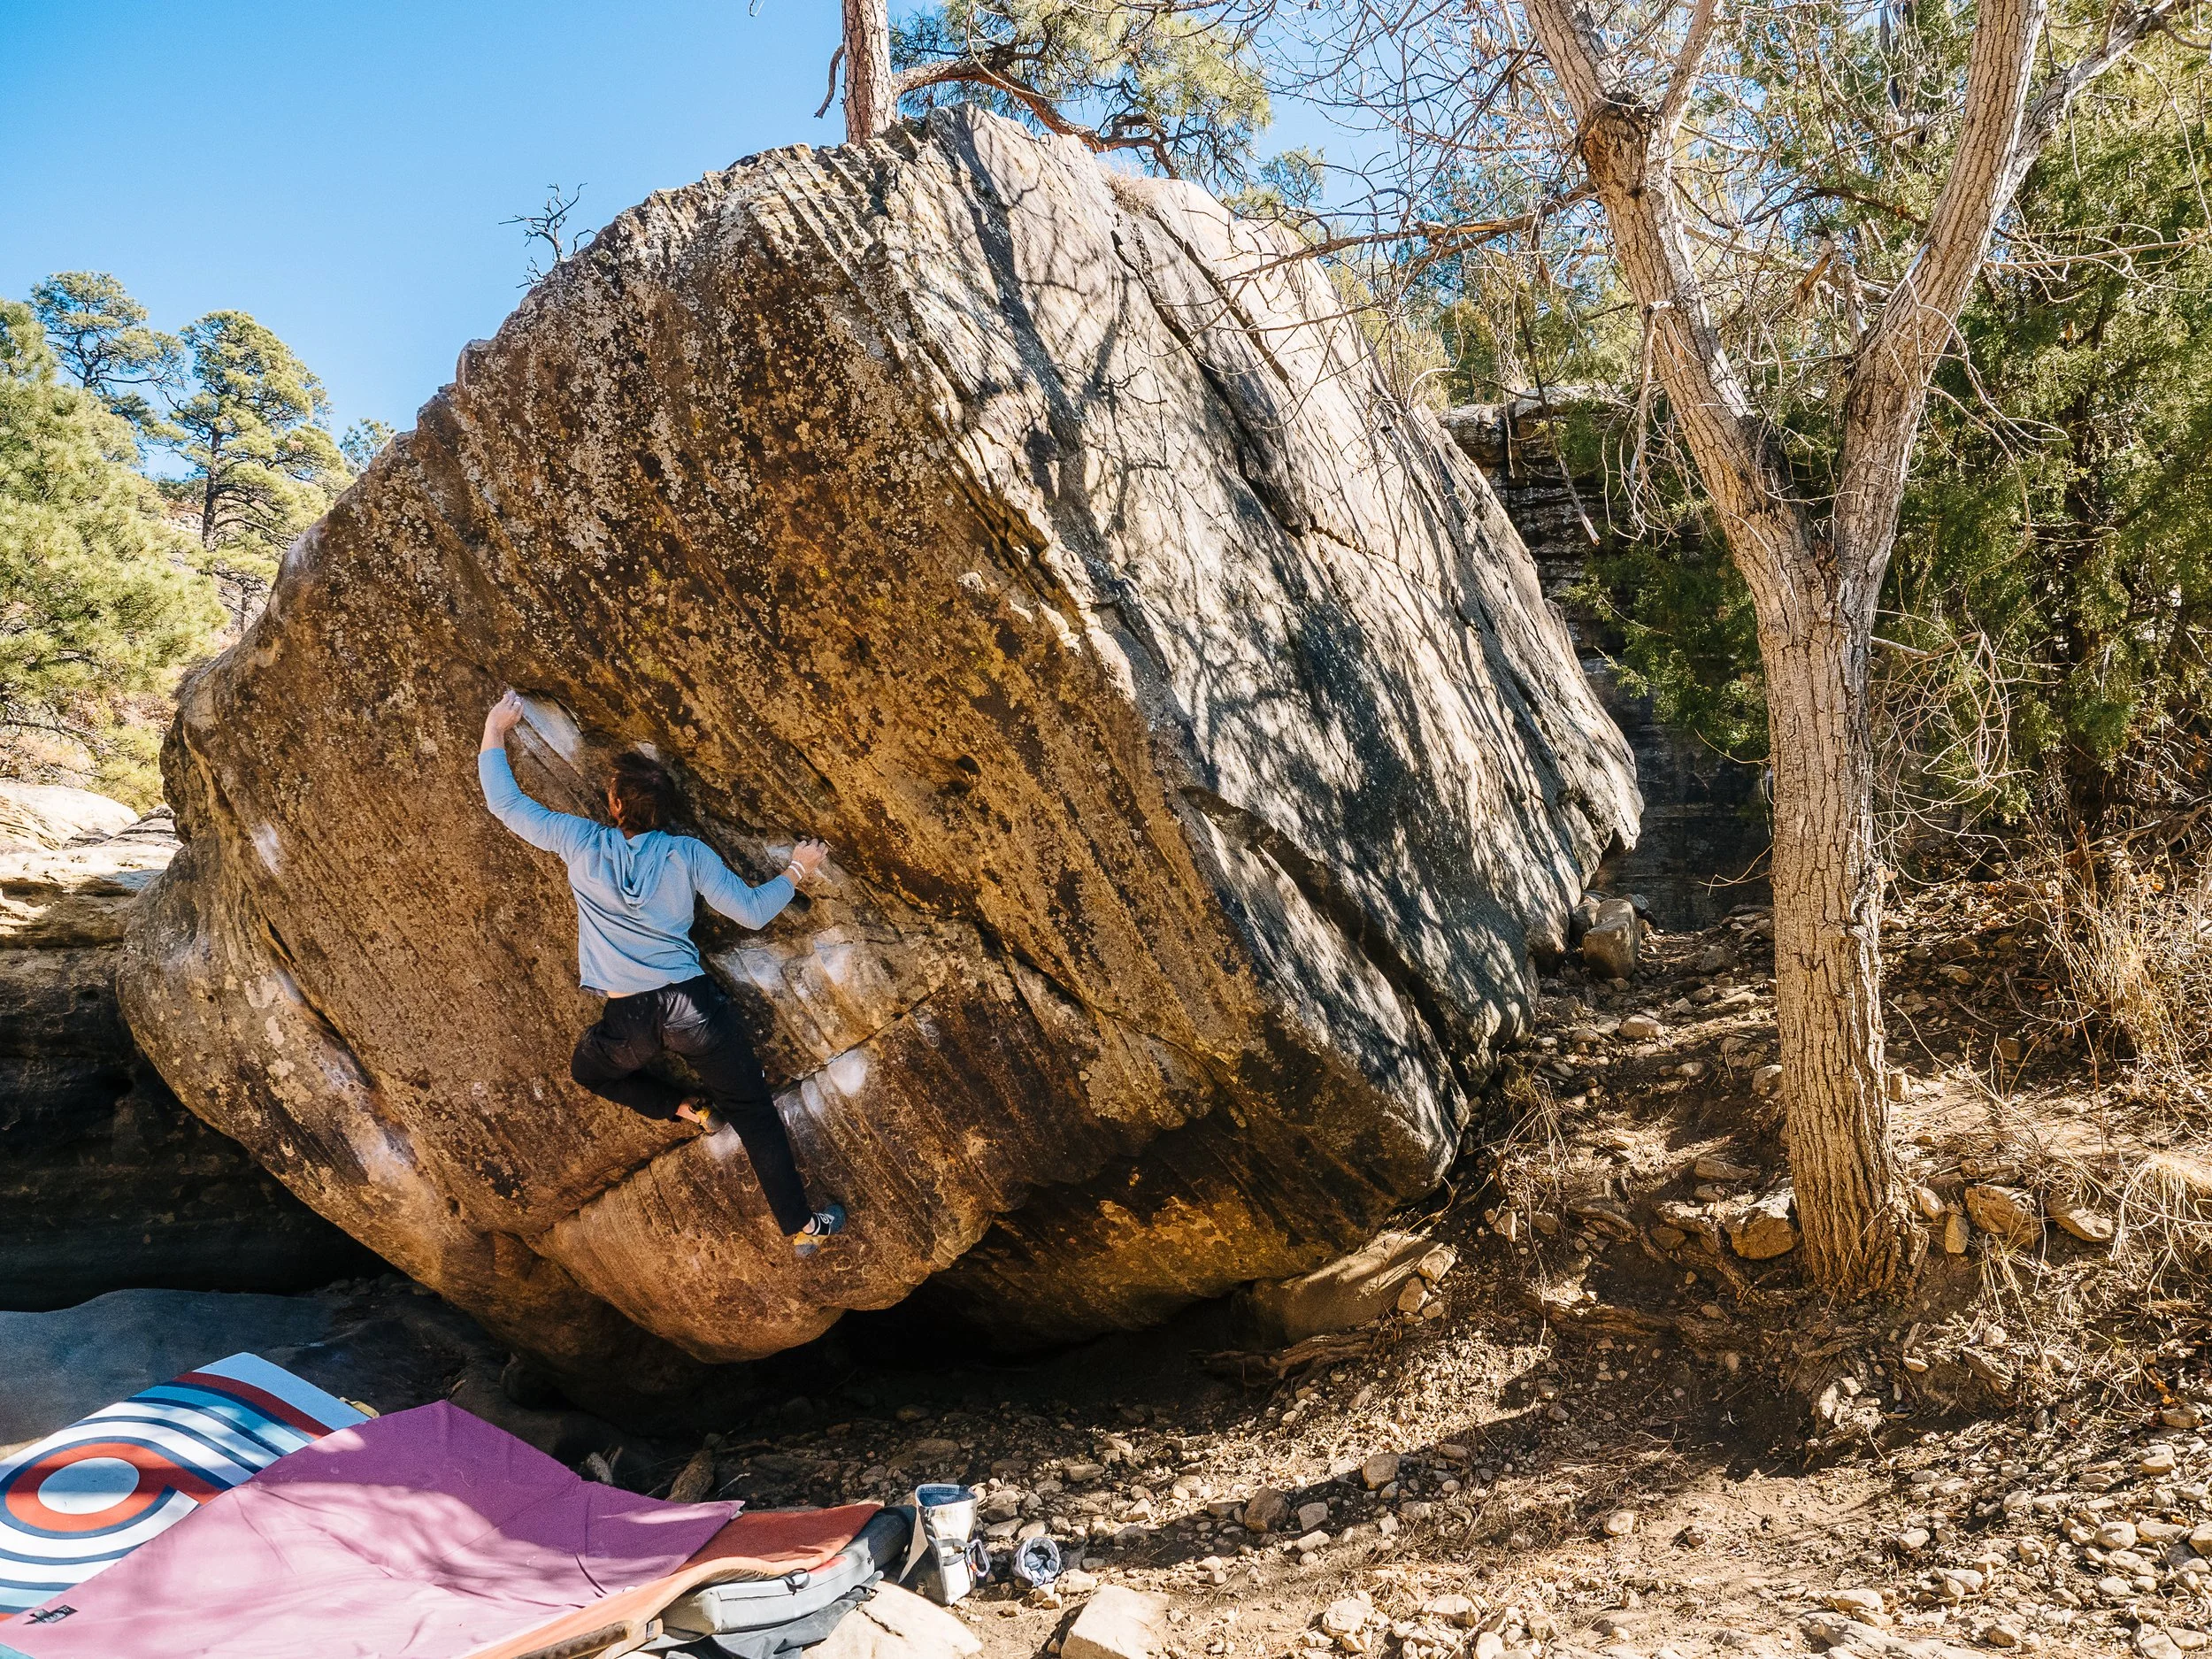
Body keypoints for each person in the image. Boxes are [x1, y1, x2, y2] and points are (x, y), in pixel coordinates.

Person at [478, 690, 845, 1252]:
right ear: (663, 812)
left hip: (629, 1020)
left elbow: (505, 805)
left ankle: (686, 1108)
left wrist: (495, 731)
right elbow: (749, 911)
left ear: (613, 803)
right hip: (693, 1009)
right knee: (754, 1113)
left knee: (591, 1072)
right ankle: (799, 1227)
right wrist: (799, 867)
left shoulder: (580, 840)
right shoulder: (686, 852)